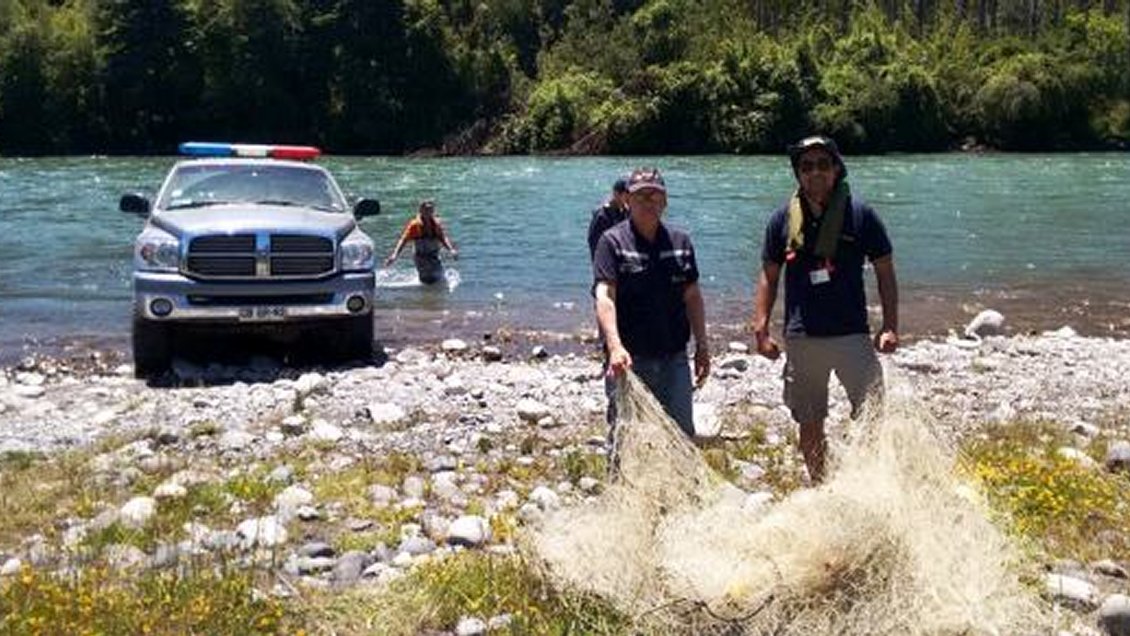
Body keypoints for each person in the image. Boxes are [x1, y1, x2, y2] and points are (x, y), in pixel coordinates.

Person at [752, 135, 899, 483]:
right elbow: (769, 276)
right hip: (803, 338)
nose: (814, 172)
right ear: (798, 174)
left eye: (822, 164)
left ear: (836, 169)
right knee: (809, 421)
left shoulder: (861, 215)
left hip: (852, 334)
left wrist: (890, 325)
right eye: (806, 166)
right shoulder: (781, 220)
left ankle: (870, 481)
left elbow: (885, 271)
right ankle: (821, 487)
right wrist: (761, 328)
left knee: (874, 412)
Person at [593, 167, 710, 440]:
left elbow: (692, 296)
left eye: (654, 195)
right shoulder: (612, 242)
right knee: (626, 436)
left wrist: (702, 346)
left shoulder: (681, 242)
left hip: (674, 357)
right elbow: (604, 296)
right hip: (629, 360)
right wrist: (615, 347)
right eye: (640, 196)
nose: (648, 202)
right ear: (627, 201)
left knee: (681, 434)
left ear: (665, 201)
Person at [384, 199, 458, 284]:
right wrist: (394, 255)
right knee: (426, 280)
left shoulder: (436, 224)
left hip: (434, 255)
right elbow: (403, 240)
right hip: (420, 257)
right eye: (426, 210)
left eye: (430, 210)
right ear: (421, 211)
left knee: (440, 278)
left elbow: (443, 238)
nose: (428, 212)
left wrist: (451, 250)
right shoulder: (415, 225)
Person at [587, 176, 630, 260]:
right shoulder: (602, 215)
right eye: (627, 194)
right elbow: (594, 243)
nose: (629, 197)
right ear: (616, 194)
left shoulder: (625, 212)